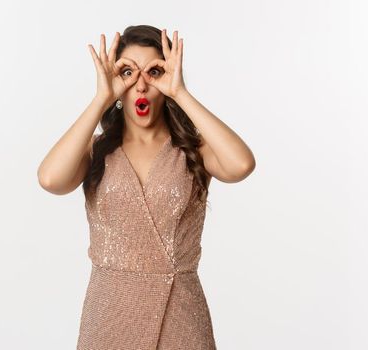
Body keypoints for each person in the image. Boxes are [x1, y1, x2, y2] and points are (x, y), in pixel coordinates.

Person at [37, 24, 255, 349]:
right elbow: (50, 179)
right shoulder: (95, 149)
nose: (140, 85)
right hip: (108, 317)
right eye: (127, 72)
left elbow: (241, 165)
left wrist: (180, 93)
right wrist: (100, 99)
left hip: (180, 315)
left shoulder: (193, 150)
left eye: (154, 72)